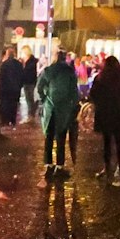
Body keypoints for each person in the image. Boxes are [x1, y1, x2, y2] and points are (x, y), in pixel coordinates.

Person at [36, 50, 79, 180]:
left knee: (48, 136)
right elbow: (74, 92)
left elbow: (39, 87)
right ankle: (59, 167)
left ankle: (48, 165)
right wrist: (74, 106)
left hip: (50, 108)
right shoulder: (69, 72)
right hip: (64, 108)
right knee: (61, 137)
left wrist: (44, 98)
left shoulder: (48, 70)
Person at [89, 55, 120, 179]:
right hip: (118, 112)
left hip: (105, 113)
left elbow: (93, 94)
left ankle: (107, 168)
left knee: (106, 142)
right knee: (119, 140)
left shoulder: (100, 78)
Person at [0, 48, 26, 127]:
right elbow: (21, 76)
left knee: (5, 104)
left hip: (6, 88)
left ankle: (5, 120)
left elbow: (1, 77)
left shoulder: (4, 64)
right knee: (14, 104)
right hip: (15, 88)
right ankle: (12, 120)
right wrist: (20, 85)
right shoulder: (19, 64)